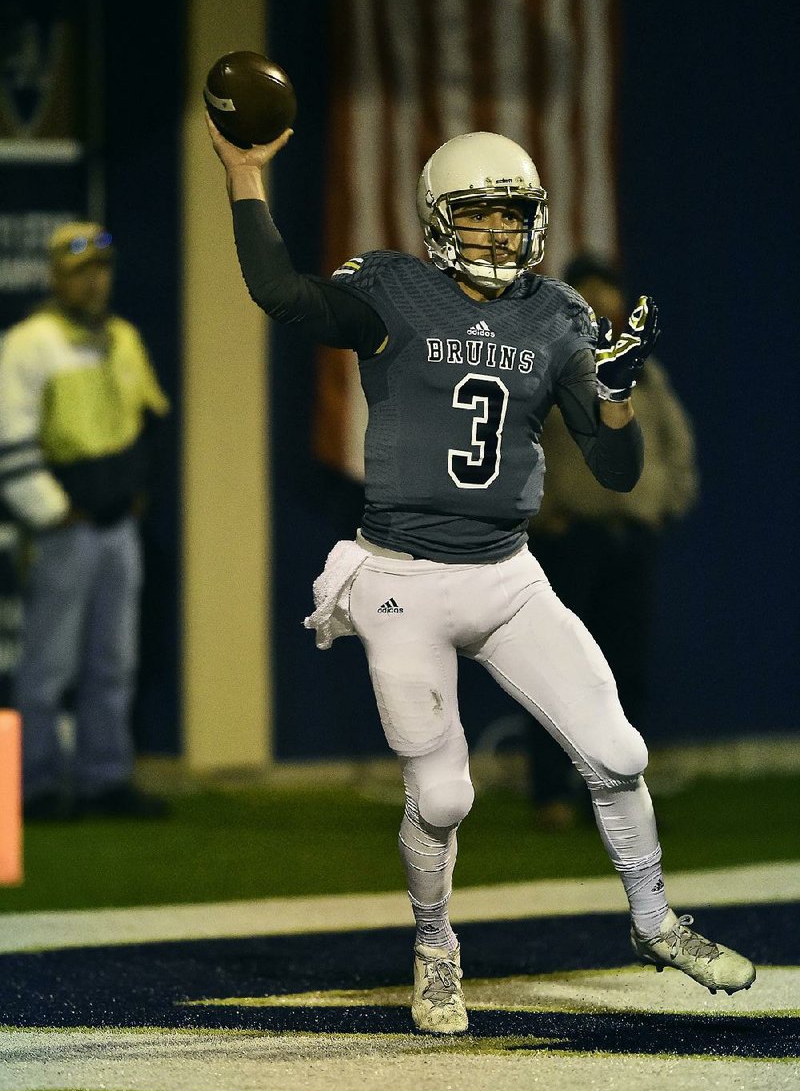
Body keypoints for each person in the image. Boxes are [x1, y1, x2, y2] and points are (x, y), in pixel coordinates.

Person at [207, 118, 755, 1034]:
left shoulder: (559, 315)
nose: (501, 234)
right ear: (439, 220)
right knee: (445, 795)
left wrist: (615, 400)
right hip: (401, 576)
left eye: (514, 217)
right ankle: (433, 946)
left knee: (619, 752)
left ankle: (656, 920)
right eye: (482, 216)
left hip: (507, 576)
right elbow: (282, 295)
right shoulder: (393, 290)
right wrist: (245, 177)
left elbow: (614, 473)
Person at [0, 221, 170, 820]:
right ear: (55, 277)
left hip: (118, 526)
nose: (94, 280)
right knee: (48, 665)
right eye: (80, 270)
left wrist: (139, 492)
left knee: (114, 661)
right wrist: (50, 511)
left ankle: (104, 779)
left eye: (101, 268)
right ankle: (33, 787)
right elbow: (10, 442)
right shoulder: (28, 343)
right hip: (63, 529)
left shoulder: (122, 337)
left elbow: (145, 422)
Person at [524, 253, 700, 831]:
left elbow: (676, 444)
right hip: (570, 540)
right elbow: (516, 445)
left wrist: (663, 506)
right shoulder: (545, 368)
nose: (601, 305)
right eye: (587, 295)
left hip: (630, 541)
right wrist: (542, 515)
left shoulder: (644, 371)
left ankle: (618, 794)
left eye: (608, 294)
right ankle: (551, 791)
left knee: (624, 670)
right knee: (560, 670)